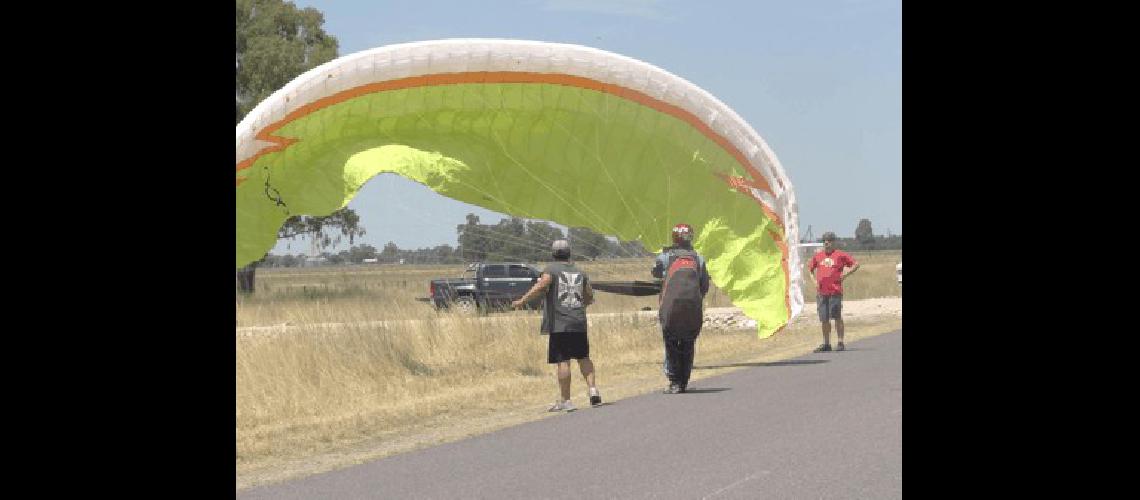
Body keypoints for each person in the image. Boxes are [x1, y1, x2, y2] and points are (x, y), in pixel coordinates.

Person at [512, 239, 601, 411]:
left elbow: (542, 284)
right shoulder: (580, 272)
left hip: (560, 324)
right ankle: (593, 390)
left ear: (553, 254)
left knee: (563, 361)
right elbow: (589, 296)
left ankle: (566, 400)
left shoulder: (551, 269)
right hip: (578, 322)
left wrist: (522, 300)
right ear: (569, 253)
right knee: (583, 357)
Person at [651, 223, 710, 394]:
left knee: (671, 342)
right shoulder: (699, 258)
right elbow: (704, 285)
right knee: (688, 342)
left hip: (670, 309)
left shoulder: (665, 256)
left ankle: (674, 381)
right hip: (692, 308)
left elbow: (655, 273)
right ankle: (684, 380)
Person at [808, 232, 861, 352]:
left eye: (829, 240)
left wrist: (845, 274)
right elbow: (810, 269)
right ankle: (826, 343)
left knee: (837, 317)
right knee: (824, 319)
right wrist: (814, 281)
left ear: (833, 242)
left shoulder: (840, 255)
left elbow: (856, 264)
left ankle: (840, 341)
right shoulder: (818, 256)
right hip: (822, 292)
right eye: (825, 241)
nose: (827, 243)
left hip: (835, 291)